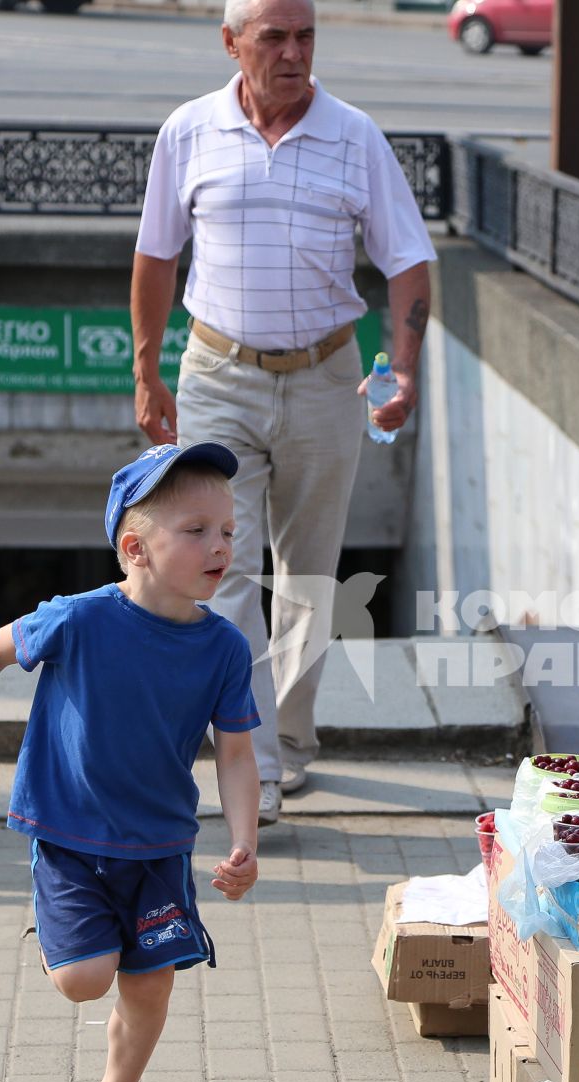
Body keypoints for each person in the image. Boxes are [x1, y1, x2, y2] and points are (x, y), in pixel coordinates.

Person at [0, 444, 263, 1082]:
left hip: (159, 847)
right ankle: (64, 932)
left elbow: (238, 754)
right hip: (68, 835)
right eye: (196, 531)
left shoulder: (224, 648)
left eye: (228, 530)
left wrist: (244, 840)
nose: (219, 545)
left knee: (150, 986)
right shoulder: (81, 619)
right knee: (85, 980)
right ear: (136, 548)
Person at [131, 0, 437, 825]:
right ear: (232, 43)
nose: (294, 53)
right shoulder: (188, 130)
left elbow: (409, 261)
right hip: (217, 374)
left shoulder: (355, 135)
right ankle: (253, 763)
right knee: (221, 570)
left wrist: (401, 368)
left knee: (305, 578)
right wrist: (145, 368)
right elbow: (156, 254)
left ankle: (290, 742)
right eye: (275, 37)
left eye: (305, 36)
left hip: (325, 380)